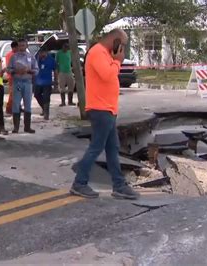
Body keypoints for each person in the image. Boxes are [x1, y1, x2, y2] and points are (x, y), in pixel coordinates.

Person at [70, 29, 139, 200]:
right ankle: (79, 183)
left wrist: (115, 60)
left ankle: (119, 185)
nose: (122, 48)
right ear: (115, 41)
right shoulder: (97, 53)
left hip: (108, 109)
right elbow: (108, 75)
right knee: (96, 148)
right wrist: (117, 62)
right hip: (100, 109)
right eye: (121, 44)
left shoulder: (106, 54)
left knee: (112, 148)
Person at [7, 39, 38, 134]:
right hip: (17, 82)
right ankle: (16, 127)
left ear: (26, 46)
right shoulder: (14, 57)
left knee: (27, 104)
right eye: (20, 45)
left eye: (23, 45)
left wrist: (29, 71)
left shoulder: (31, 57)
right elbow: (8, 69)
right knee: (16, 104)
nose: (21, 47)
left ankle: (27, 127)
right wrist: (16, 71)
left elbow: (36, 70)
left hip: (27, 82)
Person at [34, 49, 57, 120]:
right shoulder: (37, 59)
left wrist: (56, 80)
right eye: (40, 52)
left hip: (47, 81)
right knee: (37, 95)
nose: (42, 54)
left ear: (46, 52)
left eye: (43, 52)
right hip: (38, 81)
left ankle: (46, 113)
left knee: (46, 97)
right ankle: (44, 108)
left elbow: (55, 69)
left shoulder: (51, 60)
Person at [5, 41, 18, 115]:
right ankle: (9, 109)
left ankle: (16, 107)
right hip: (12, 76)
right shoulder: (12, 55)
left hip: (14, 76)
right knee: (12, 93)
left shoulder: (10, 54)